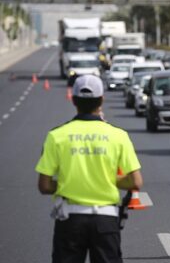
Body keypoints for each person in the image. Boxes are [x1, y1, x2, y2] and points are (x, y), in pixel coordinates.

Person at [36, 75, 143, 263]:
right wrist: (108, 180)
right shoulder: (118, 136)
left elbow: (44, 185)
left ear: (74, 101)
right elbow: (135, 182)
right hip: (106, 220)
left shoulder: (56, 136)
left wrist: (69, 183)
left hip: (69, 220)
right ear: (101, 100)